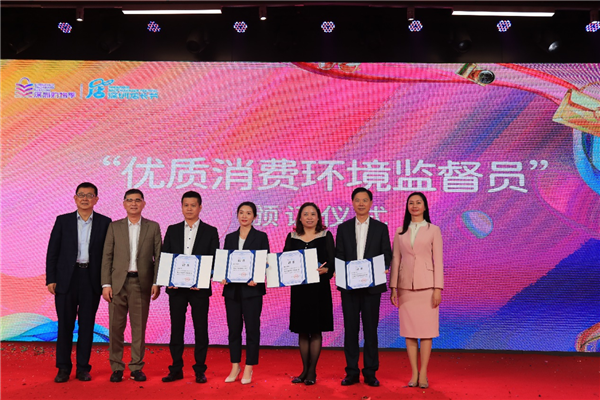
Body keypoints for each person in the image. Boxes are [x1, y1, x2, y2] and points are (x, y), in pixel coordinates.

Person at [46, 182, 112, 383]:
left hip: (91, 279)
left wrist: (106, 282)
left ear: (96, 199)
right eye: (81, 195)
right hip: (66, 279)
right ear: (75, 198)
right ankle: (63, 368)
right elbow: (52, 251)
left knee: (87, 325)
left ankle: (83, 368)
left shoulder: (105, 222)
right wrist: (51, 278)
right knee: (65, 325)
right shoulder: (63, 221)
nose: (85, 198)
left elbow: (109, 255)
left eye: (89, 195)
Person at [101, 189, 161, 382]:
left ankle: (136, 367)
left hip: (141, 284)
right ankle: (117, 367)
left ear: (143, 204)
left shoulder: (153, 227)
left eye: (137, 200)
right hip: (117, 284)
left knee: (139, 328)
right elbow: (107, 256)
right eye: (129, 200)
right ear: (124, 204)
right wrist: (106, 284)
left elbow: (158, 257)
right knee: (115, 328)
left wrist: (156, 282)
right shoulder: (114, 227)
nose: (133, 204)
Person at [336, 187, 392, 387]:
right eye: (357, 200)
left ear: (371, 203)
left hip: (372, 288)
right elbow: (339, 254)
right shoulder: (343, 228)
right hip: (349, 288)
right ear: (352, 203)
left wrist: (384, 267)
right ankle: (351, 372)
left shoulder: (380, 228)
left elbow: (386, 254)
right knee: (350, 330)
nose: (361, 203)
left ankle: (370, 372)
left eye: (365, 200)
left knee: (370, 330)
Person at [161, 191, 219, 384]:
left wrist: (201, 279)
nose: (189, 208)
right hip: (176, 288)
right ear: (181, 207)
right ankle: (176, 368)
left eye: (193, 205)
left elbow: (214, 259)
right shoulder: (172, 229)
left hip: (199, 290)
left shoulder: (210, 231)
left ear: (200, 207)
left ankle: (200, 370)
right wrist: (168, 279)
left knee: (200, 328)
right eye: (186, 205)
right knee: (176, 328)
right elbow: (165, 256)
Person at [389, 192, 443, 389]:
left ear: (425, 206)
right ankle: (414, 373)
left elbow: (438, 260)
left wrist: (438, 288)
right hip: (405, 287)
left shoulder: (433, 230)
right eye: (411, 203)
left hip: (427, 286)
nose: (414, 206)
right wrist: (393, 287)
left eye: (418, 202)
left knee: (427, 332)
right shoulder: (400, 231)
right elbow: (396, 259)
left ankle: (424, 374)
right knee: (409, 332)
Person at [283, 202, 335, 386]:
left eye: (313, 214)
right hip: (300, 290)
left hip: (319, 289)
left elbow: (332, 261)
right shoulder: (292, 237)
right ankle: (304, 370)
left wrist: (326, 270)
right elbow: (285, 261)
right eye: (305, 214)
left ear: (318, 217)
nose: (309, 217)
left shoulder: (326, 235)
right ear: (300, 218)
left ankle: (312, 371)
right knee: (303, 331)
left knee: (316, 330)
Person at [222, 202, 270, 385]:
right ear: (237, 215)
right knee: (233, 330)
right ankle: (235, 366)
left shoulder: (261, 237)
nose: (244, 216)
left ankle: (249, 366)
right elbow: (225, 261)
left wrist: (257, 276)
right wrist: (223, 276)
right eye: (241, 212)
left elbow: (264, 261)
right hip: (232, 291)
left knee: (252, 329)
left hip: (252, 291)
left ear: (254, 217)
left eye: (248, 213)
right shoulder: (229, 238)